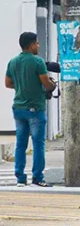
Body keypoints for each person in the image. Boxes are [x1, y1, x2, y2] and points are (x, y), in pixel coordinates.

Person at [5, 32, 56, 187]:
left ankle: (20, 178)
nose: (38, 46)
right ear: (32, 44)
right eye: (37, 43)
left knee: (21, 144)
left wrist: (22, 86)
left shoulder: (12, 62)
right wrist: (52, 85)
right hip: (35, 108)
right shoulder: (38, 62)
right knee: (38, 144)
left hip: (18, 108)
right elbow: (46, 84)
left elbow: (8, 84)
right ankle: (38, 177)